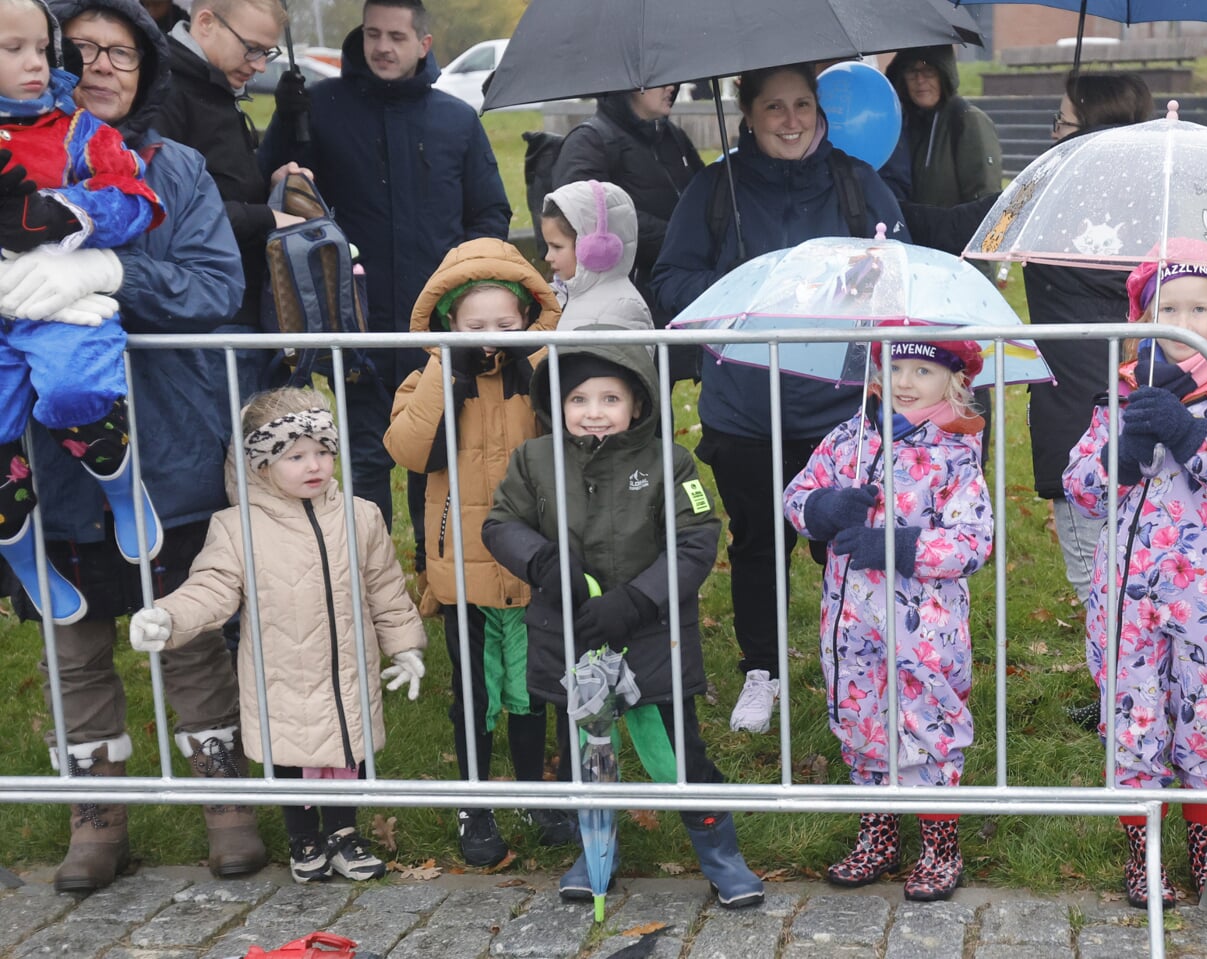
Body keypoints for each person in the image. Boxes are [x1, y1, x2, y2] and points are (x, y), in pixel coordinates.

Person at [1, 0, 253, 895]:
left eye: (123, 54)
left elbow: (214, 286)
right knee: (76, 642)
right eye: (83, 51)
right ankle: (96, 812)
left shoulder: (172, 167)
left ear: (146, 69)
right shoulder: (8, 157)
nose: (103, 67)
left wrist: (109, 269)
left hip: (167, 437)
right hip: (45, 439)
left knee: (184, 629)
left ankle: (227, 802)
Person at [651, 63, 904, 735]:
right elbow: (670, 283)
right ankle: (761, 670)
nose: (789, 120)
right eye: (773, 108)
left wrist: (863, 282)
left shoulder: (856, 183)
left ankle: (850, 661)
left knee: (843, 543)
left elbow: (902, 277)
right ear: (748, 113)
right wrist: (742, 290)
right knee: (758, 542)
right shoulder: (714, 189)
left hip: (840, 408)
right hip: (744, 409)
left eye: (800, 105)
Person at [482, 336, 765, 910]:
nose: (593, 411)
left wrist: (637, 599)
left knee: (675, 756)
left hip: (649, 638)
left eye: (609, 398)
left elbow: (695, 538)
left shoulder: (670, 461)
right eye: (579, 398)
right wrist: (542, 561)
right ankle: (595, 850)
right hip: (573, 641)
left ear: (636, 403)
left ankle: (720, 853)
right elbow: (501, 523)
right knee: (590, 755)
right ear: (556, 405)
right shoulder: (534, 460)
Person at [259, 0, 512, 603]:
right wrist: (283, 123)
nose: (382, 47)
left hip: (437, 329)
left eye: (396, 36)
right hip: (357, 325)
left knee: (438, 458)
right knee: (367, 462)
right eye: (372, 34)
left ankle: (438, 574)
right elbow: (277, 190)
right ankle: (372, 589)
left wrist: (464, 284)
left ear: (424, 43)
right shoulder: (320, 109)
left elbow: (491, 212)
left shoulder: (455, 119)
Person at [1060, 243, 1207, 910]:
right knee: (1134, 721)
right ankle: (1143, 852)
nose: (1182, 319)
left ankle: (1205, 849)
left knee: (1205, 724)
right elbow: (1079, 483)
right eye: (1167, 307)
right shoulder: (1122, 392)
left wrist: (1189, 435)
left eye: (1198, 306)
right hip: (1130, 601)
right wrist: (1125, 451)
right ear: (1142, 316)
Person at [130, 387, 427, 884]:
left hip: (347, 668)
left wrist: (404, 645)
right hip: (281, 671)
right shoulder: (237, 527)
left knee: (345, 754)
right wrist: (169, 616)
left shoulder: (360, 516)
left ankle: (343, 833)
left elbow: (386, 589)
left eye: (323, 452)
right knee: (289, 753)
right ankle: (303, 836)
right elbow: (212, 586)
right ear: (261, 465)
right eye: (295, 456)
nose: (314, 465)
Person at [782, 322, 993, 903]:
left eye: (923, 371)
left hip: (925, 629)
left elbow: (973, 540)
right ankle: (877, 833)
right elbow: (796, 497)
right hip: (851, 624)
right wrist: (824, 509)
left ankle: (939, 845)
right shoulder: (847, 439)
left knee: (928, 727)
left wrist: (899, 546)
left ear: (953, 384)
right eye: (895, 368)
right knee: (862, 720)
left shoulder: (954, 456)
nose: (904, 382)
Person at [383, 237, 575, 866]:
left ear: (527, 320)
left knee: (532, 689)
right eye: (476, 325)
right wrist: (447, 367)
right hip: (460, 568)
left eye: (505, 324)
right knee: (474, 693)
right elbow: (409, 452)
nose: (492, 336)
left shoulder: (543, 372)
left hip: (532, 564)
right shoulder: (425, 379)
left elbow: (579, 440)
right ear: (448, 324)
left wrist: (543, 369)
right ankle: (475, 803)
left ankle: (532, 791)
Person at [0, 0, 168, 628]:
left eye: (41, 49)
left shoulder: (77, 130)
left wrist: (64, 212)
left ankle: (123, 489)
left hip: (59, 309)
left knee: (75, 388)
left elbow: (137, 196)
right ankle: (22, 561)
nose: (34, 65)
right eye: (12, 50)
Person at [1025, 74, 1154, 702]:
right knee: (1134, 571)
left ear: (1094, 133)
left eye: (1063, 122)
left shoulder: (1057, 222)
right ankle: (1138, 692)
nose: (1053, 133)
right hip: (1144, 424)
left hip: (1081, 426)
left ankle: (1126, 704)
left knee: (1096, 579)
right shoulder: (1152, 218)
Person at [149, 0, 305, 344]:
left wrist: (271, 186)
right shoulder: (163, 93)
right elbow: (167, 218)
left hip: (231, 312)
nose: (261, 66)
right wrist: (267, 217)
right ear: (205, 22)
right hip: (199, 323)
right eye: (252, 50)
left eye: (267, 52)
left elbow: (222, 188)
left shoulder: (216, 88)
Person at [551, 85, 703, 376]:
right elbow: (585, 220)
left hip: (674, 295)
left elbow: (703, 200)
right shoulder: (589, 142)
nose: (672, 86)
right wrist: (679, 238)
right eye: (660, 79)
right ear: (631, 85)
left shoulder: (672, 138)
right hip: (623, 306)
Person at [883, 45, 1001, 228]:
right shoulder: (902, 124)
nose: (919, 80)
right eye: (911, 71)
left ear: (943, 73)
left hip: (955, 250)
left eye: (928, 71)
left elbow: (986, 205)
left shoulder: (967, 120)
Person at [541, 180, 651, 332]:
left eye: (557, 247)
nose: (548, 257)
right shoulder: (560, 296)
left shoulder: (623, 307)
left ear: (594, 248)